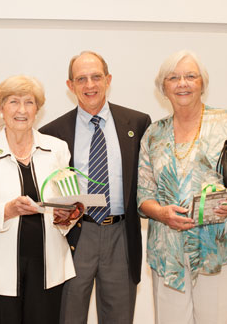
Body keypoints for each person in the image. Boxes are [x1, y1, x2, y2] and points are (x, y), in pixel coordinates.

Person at [137, 50, 227, 324]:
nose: (182, 83)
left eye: (190, 76)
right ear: (163, 87)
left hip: (218, 249)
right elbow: (143, 196)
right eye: (173, 78)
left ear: (202, 83)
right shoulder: (153, 133)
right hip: (168, 252)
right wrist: (162, 213)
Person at [39, 51, 151, 323]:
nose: (90, 85)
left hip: (121, 235)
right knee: (69, 314)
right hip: (76, 236)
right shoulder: (52, 132)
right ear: (70, 86)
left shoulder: (137, 123)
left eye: (96, 77)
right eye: (81, 79)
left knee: (119, 316)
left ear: (108, 79)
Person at [0, 75, 78, 324]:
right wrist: (7, 210)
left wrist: (67, 216)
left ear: (38, 109)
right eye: (13, 102)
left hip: (47, 270)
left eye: (29, 102)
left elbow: (69, 206)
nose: (21, 110)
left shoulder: (57, 149)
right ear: (1, 109)